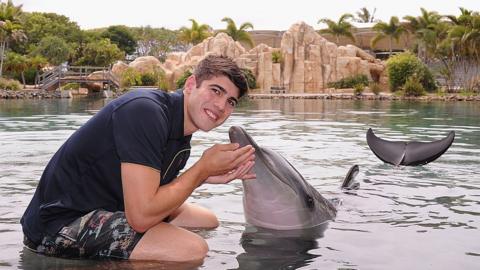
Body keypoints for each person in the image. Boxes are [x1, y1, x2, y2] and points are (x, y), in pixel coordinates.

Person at [21, 55, 256, 263]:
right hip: (58, 225)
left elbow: (151, 196)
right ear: (191, 84)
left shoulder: (180, 139)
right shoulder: (145, 111)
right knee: (191, 249)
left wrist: (203, 177)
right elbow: (141, 217)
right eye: (216, 90)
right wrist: (201, 170)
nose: (221, 106)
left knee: (207, 220)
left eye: (231, 102)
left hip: (109, 208)